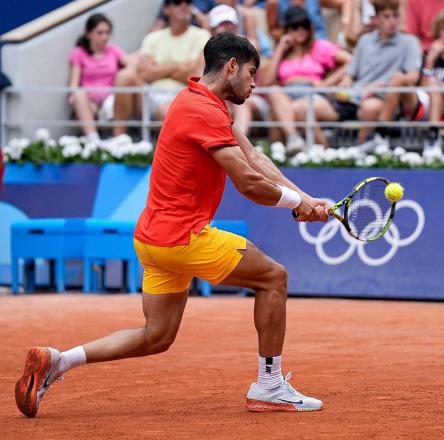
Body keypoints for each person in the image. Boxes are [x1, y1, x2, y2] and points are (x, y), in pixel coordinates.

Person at [15, 33, 329, 418]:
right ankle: (269, 386)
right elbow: (248, 182)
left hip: (152, 239)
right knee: (273, 277)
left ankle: (58, 361)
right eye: (251, 72)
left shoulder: (196, 100)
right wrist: (297, 204)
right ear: (231, 66)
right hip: (184, 236)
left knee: (156, 336)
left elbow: (255, 159)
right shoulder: (206, 112)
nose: (254, 83)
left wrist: (306, 200)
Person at [112, 0, 211, 136]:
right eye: (178, 2)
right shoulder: (153, 37)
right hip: (150, 93)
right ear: (166, 9)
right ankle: (119, 140)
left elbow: (194, 74)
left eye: (188, 2)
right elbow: (143, 73)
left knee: (167, 112)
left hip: (182, 94)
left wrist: (158, 68)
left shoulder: (202, 35)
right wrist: (178, 67)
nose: (184, 5)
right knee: (124, 77)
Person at [262, 6, 351, 148]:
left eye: (305, 25)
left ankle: (316, 152)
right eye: (295, 26)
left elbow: (351, 61)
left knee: (287, 113)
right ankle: (294, 139)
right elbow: (266, 83)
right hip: (288, 97)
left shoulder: (319, 46)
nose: (301, 30)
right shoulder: (281, 53)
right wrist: (280, 48)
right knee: (273, 92)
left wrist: (326, 83)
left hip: (314, 96)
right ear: (287, 30)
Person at [338, 0, 422, 144]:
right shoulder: (364, 41)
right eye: (386, 16)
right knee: (309, 107)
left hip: (385, 99)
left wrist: (380, 87)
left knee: (370, 107)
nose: (392, 21)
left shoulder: (410, 42)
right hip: (354, 96)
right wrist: (344, 84)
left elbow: (412, 77)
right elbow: (350, 74)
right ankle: (317, 156)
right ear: (376, 19)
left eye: (395, 16)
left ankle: (359, 153)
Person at [209, 4, 272, 137]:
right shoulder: (207, 52)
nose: (226, 28)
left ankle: (235, 146)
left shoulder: (250, 45)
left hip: (251, 99)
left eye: (229, 23)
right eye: (221, 24)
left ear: (236, 25)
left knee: (242, 103)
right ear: (213, 29)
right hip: (225, 102)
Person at [68, 14, 132, 143]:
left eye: (107, 33)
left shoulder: (114, 50)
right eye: (100, 33)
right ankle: (94, 142)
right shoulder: (78, 52)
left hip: (112, 100)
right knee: (79, 94)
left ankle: (118, 140)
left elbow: (131, 63)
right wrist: (73, 96)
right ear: (88, 34)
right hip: (90, 102)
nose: (105, 37)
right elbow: (73, 84)